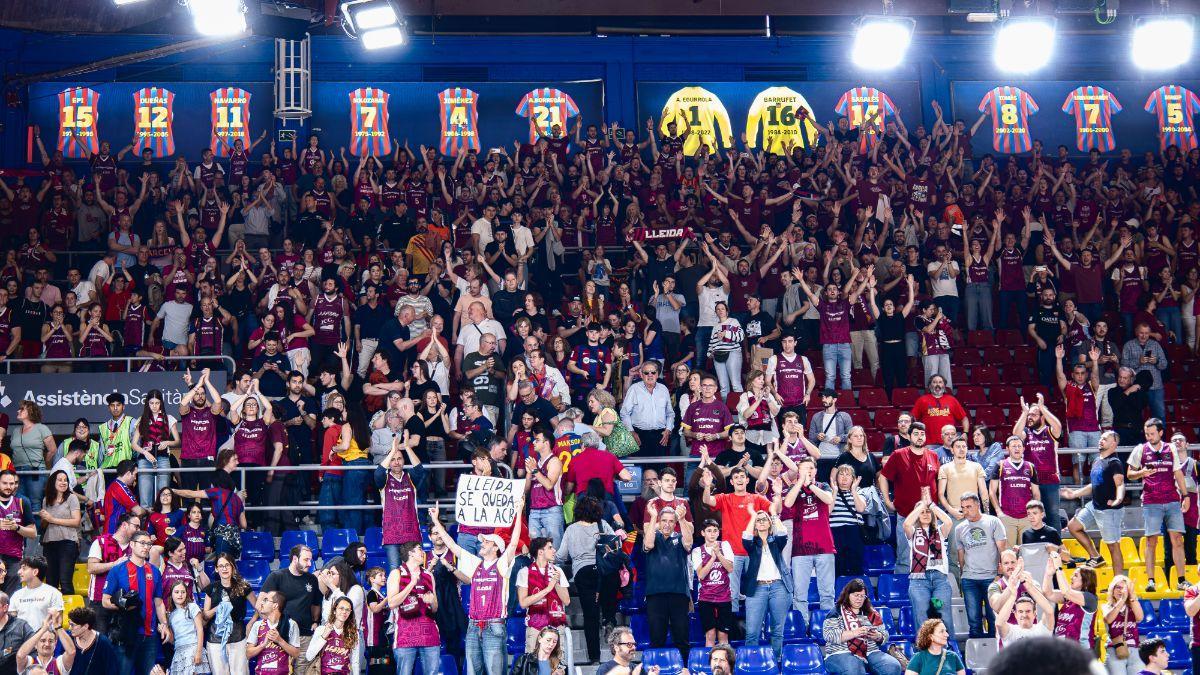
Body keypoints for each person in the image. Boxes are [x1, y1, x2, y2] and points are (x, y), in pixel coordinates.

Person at [429, 493, 523, 675]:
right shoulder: (476, 564)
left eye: (486, 542)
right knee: (472, 671)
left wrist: (518, 513)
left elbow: (512, 544)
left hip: (494, 624)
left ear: (496, 548)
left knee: (494, 672)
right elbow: (453, 545)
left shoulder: (502, 564)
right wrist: (436, 521)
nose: (481, 543)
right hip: (473, 624)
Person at [554, 495, 617, 664]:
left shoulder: (572, 529)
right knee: (608, 600)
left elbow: (561, 556)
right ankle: (609, 620)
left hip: (583, 573)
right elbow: (615, 545)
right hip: (603, 571)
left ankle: (594, 658)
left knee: (590, 616)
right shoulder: (602, 524)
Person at [1129, 418, 1189, 592]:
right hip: (1151, 501)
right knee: (1151, 542)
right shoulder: (1140, 449)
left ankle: (1181, 579)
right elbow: (1130, 474)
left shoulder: (1171, 448)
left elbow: (1177, 472)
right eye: (1147, 434)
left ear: (1161, 432)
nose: (1149, 437)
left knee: (1177, 540)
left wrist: (1185, 495)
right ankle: (1151, 581)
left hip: (1171, 500)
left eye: (1152, 433)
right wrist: (1142, 472)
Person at [702, 466, 772, 613]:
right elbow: (707, 500)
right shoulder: (726, 498)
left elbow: (775, 509)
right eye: (736, 477)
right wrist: (708, 485)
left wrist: (775, 494)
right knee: (732, 593)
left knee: (756, 593)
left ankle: (757, 624)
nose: (739, 479)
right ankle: (732, 626)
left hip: (754, 553)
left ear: (747, 480)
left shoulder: (757, 498)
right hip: (732, 554)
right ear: (732, 482)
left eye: (742, 476)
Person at [101, 528, 168, 675]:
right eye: (142, 543)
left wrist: (164, 624)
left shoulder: (155, 571)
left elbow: (159, 603)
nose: (146, 547)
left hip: (150, 634)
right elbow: (105, 601)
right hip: (127, 633)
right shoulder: (117, 570)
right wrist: (124, 605)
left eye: (149, 544)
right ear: (132, 544)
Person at [1063, 430, 1127, 573]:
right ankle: (1095, 556)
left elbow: (1120, 484)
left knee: (1113, 546)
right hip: (1095, 505)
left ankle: (1119, 582)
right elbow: (1094, 485)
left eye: (1105, 439)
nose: (1101, 440)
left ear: (1114, 443)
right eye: (1101, 438)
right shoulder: (1097, 461)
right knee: (1073, 526)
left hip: (1109, 510)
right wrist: (1075, 494)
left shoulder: (1114, 462)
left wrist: (1118, 499)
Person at [878, 422, 938, 574]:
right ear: (909, 436)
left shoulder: (933, 455)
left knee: (932, 557)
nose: (919, 437)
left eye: (922, 434)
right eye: (916, 434)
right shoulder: (899, 455)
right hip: (906, 515)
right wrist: (886, 500)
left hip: (929, 517)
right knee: (905, 558)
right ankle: (903, 592)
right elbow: (883, 477)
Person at [784, 456, 835, 621]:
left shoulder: (823, 486)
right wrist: (800, 483)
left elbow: (829, 499)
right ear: (799, 471)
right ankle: (802, 626)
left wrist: (811, 485)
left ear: (816, 471)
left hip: (824, 547)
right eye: (805, 468)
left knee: (827, 593)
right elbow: (788, 503)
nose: (809, 471)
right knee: (799, 594)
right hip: (800, 549)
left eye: (811, 468)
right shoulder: (794, 489)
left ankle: (828, 626)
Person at [741, 504, 792, 663]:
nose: (761, 522)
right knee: (752, 632)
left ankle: (775, 663)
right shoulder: (752, 544)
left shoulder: (777, 541)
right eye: (759, 520)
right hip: (757, 589)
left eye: (764, 520)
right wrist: (752, 516)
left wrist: (772, 513)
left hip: (779, 587)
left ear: (770, 523)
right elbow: (746, 537)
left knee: (777, 631)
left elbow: (783, 532)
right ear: (755, 525)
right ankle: (752, 664)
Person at [261, 545, 323, 675]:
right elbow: (260, 604)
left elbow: (316, 603)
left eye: (310, 560)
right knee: (281, 671)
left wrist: (315, 621)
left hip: (305, 635)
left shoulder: (312, 579)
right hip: (282, 635)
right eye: (306, 560)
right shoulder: (276, 576)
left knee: (302, 672)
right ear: (295, 559)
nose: (309, 564)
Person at [821, 578, 901, 675]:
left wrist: (879, 636)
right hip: (840, 652)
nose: (859, 599)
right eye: (856, 595)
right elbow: (829, 635)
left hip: (870, 652)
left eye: (862, 596)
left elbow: (885, 634)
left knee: (893, 666)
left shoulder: (871, 613)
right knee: (855, 667)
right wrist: (855, 633)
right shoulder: (836, 612)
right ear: (848, 595)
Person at [954, 492, 1007, 638]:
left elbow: (1002, 550)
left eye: (969, 506)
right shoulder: (959, 528)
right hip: (969, 579)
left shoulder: (993, 522)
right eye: (963, 507)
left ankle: (995, 656)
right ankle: (976, 657)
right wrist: (963, 576)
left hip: (991, 578)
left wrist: (1000, 575)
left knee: (994, 619)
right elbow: (961, 555)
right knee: (974, 621)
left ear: (978, 505)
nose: (966, 511)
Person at [903, 497, 956, 637]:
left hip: (940, 580)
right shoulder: (913, 532)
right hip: (919, 580)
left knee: (943, 613)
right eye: (922, 512)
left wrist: (931, 505)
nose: (925, 514)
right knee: (922, 615)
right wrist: (920, 506)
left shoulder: (939, 530)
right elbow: (907, 523)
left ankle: (947, 649)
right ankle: (925, 650)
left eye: (928, 512)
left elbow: (949, 521)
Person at [1012, 394, 1064, 531]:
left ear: (1042, 417)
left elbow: (1058, 426)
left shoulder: (1050, 431)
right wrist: (1024, 413)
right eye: (1029, 415)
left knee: (1053, 515)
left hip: (1050, 481)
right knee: (1032, 515)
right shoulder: (1026, 433)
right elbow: (1015, 435)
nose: (1030, 417)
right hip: (1031, 481)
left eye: (1034, 415)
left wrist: (1041, 407)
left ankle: (1056, 547)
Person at [387, 542, 440, 675]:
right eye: (419, 549)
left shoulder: (429, 575)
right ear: (410, 553)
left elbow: (435, 609)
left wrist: (432, 601)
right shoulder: (396, 573)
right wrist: (411, 584)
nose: (423, 552)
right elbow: (392, 603)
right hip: (405, 635)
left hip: (429, 633)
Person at [203, 552, 257, 674]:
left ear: (233, 567)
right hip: (216, 639)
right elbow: (205, 615)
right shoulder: (211, 588)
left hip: (238, 637)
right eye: (221, 566)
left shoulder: (243, 586)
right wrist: (219, 607)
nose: (224, 568)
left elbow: (259, 607)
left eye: (227, 565)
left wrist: (251, 623)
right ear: (216, 569)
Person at [374, 437, 423, 570]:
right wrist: (393, 451)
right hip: (391, 534)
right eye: (393, 460)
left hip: (411, 533)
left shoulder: (411, 477)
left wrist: (407, 447)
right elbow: (378, 473)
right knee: (395, 571)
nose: (396, 462)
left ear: (403, 461)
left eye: (399, 459)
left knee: (414, 570)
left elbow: (419, 469)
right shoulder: (384, 480)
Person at [692, 519, 734, 646]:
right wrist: (713, 558)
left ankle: (726, 664)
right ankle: (708, 664)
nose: (712, 534)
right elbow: (701, 574)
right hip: (706, 598)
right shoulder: (697, 551)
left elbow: (730, 568)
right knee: (710, 635)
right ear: (703, 533)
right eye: (709, 531)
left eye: (715, 531)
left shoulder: (725, 545)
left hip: (724, 597)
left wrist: (719, 554)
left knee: (723, 635)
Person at [619, 361, 674, 458]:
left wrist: (668, 429)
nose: (650, 375)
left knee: (660, 469)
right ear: (641, 374)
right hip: (639, 436)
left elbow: (670, 413)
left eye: (653, 372)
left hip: (660, 436)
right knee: (641, 468)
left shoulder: (664, 389)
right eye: (646, 373)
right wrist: (631, 432)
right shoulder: (634, 389)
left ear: (657, 374)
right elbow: (624, 413)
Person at [524, 426, 566, 549]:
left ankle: (556, 568)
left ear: (546, 443)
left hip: (552, 509)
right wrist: (528, 473)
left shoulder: (554, 461)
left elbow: (548, 485)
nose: (533, 442)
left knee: (554, 550)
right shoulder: (535, 463)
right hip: (534, 509)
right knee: (535, 550)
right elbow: (526, 490)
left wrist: (535, 470)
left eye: (537, 440)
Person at [994, 565, 1056, 647]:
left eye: (1028, 611)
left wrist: (1029, 587)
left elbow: (1049, 611)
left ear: (1035, 613)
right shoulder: (1011, 632)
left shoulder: (1041, 630)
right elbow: (999, 623)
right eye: (1020, 611)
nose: (1024, 615)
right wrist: (1013, 596)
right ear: (1015, 614)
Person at [246, 591, 302, 675]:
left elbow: (296, 654)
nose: (261, 602)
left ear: (275, 605)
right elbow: (248, 654)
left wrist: (280, 641)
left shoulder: (291, 624)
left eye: (265, 600)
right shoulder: (257, 625)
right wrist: (263, 645)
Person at [0, 470, 36, 594]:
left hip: (14, 558)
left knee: (11, 600)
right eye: (5, 483)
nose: (8, 487)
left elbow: (33, 533)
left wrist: (17, 528)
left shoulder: (22, 502)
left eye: (12, 483)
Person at [305, 596, 361, 675]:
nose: (344, 612)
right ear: (334, 610)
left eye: (347, 609)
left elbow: (355, 662)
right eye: (341, 608)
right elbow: (309, 656)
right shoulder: (321, 630)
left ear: (350, 613)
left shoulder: (353, 633)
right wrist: (324, 636)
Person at [1101, 575, 1144, 675]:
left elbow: (1140, 618)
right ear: (1112, 590)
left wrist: (1132, 596)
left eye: (1124, 588)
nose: (1121, 591)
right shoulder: (1106, 606)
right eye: (1118, 587)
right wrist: (1122, 600)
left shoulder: (1133, 604)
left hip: (1134, 649)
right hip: (1115, 648)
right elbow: (1108, 619)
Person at [9, 557, 63, 631]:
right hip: (22, 640)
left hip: (45, 640)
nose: (19, 572)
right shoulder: (16, 595)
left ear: (35, 572)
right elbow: (11, 622)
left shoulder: (53, 593)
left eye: (24, 568)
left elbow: (58, 623)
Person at [66, 606, 123, 674]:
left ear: (85, 626)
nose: (69, 628)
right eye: (69, 624)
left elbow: (112, 670)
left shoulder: (103, 643)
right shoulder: (68, 638)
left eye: (72, 625)